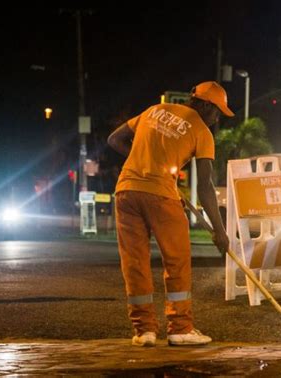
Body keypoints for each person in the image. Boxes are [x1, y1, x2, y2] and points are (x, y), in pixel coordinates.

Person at [107, 81, 232, 346]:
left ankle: (144, 331)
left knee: (135, 263)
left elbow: (114, 139)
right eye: (217, 111)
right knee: (176, 261)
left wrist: (145, 160)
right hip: (162, 196)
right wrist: (220, 232)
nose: (217, 118)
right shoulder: (202, 132)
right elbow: (205, 186)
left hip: (126, 191)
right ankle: (180, 328)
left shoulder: (154, 110)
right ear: (206, 106)